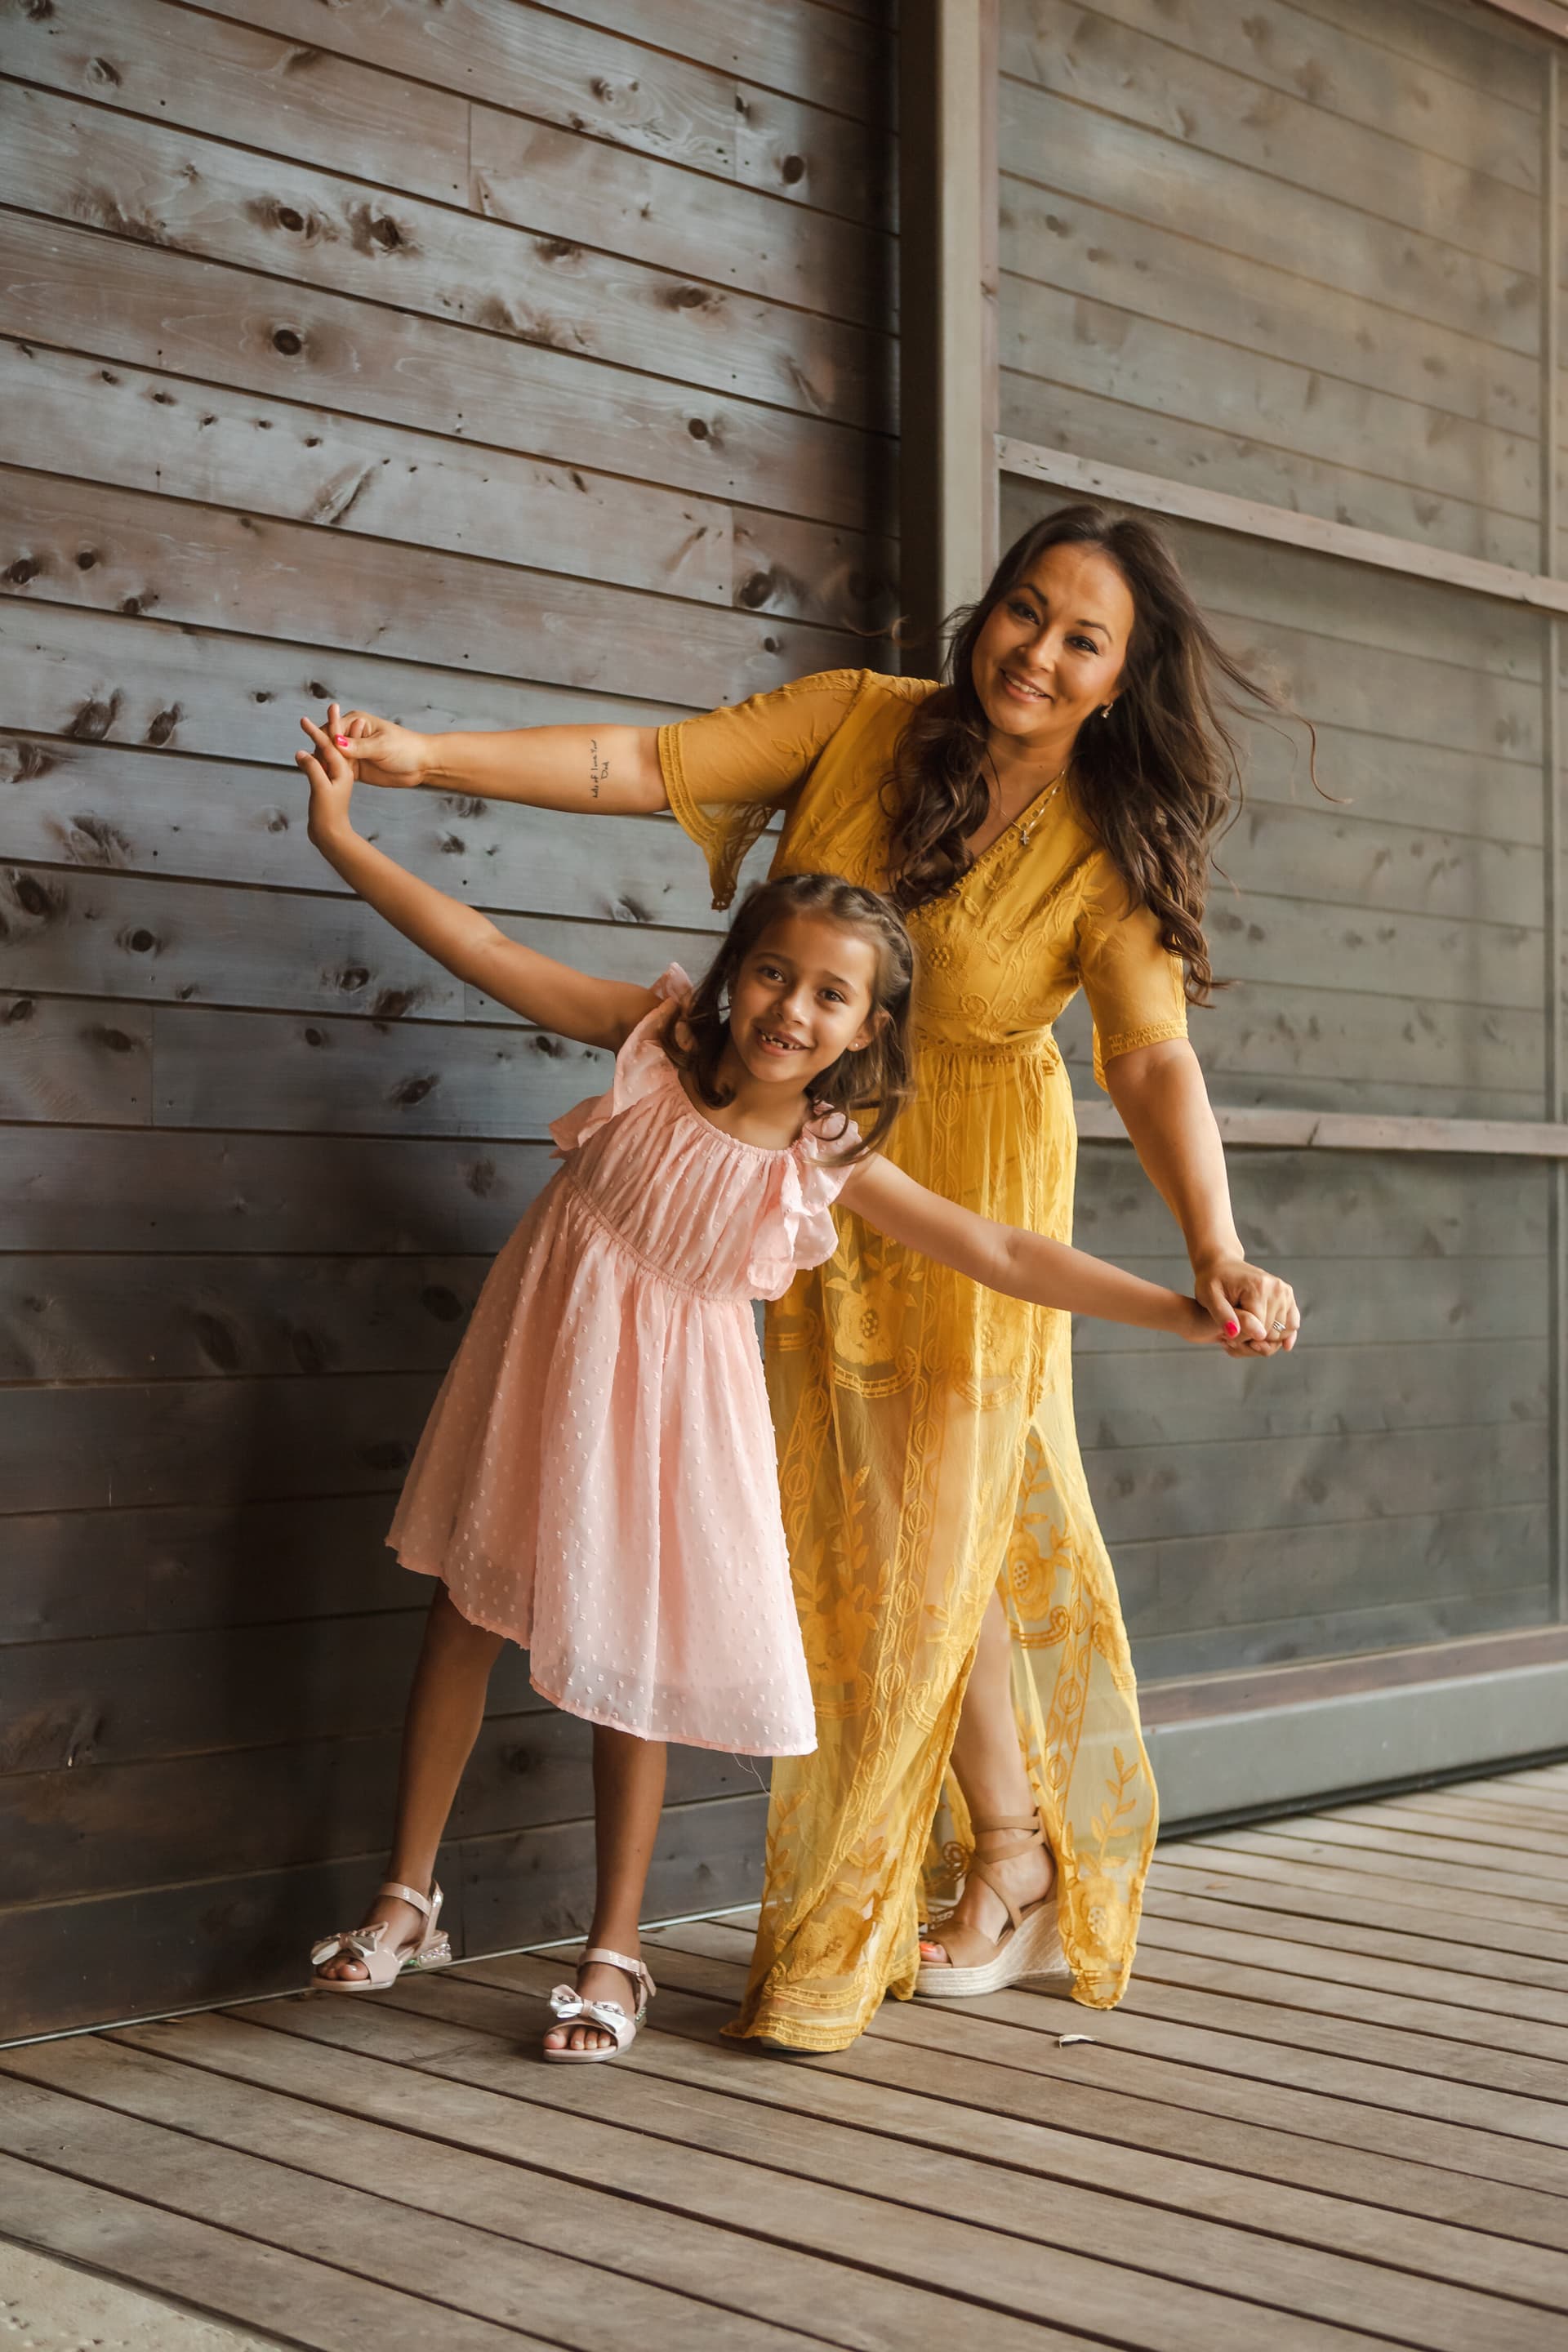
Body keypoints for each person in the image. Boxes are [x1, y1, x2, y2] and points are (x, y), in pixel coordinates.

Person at [305, 501, 1301, 2051]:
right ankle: (1006, 1853)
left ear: (1125, 676)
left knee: (942, 1516)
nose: (1036, 651)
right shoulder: (863, 721)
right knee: (858, 1518)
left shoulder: (1106, 841)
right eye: (1024, 610)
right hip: (789, 1150)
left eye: (1082, 637)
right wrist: (424, 760)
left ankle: (1012, 1859)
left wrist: (1211, 1250)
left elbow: (1152, 1054)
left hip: (960, 1169)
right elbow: (650, 766)